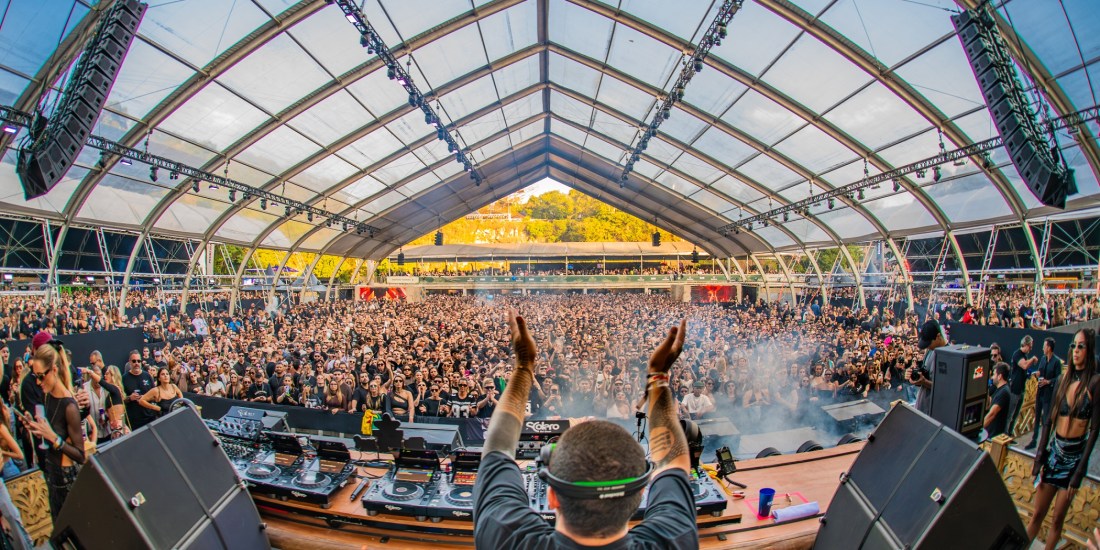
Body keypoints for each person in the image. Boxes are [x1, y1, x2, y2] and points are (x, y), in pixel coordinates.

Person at [473, 312, 697, 548]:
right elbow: (672, 461)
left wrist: (523, 367)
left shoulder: (508, 541)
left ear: (551, 496)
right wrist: (658, 377)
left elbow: (498, 446)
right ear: (641, 494)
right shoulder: (674, 539)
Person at [1028, 328, 1099, 549]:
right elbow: (1048, 422)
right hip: (1054, 454)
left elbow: (1094, 430)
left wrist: (1080, 471)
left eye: (1081, 346)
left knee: (1057, 520)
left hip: (1074, 459)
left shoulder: (1095, 383)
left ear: (1089, 350)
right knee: (1037, 514)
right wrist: (1039, 457)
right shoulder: (1062, 379)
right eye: (1073, 345)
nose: (1075, 350)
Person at [20, 341, 86, 518]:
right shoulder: (47, 396)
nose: (38, 382)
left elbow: (81, 455)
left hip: (67, 480)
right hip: (52, 473)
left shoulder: (69, 406)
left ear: (54, 370)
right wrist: (35, 427)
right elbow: (51, 430)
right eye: (36, 376)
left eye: (41, 376)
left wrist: (54, 438)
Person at [1027, 337, 1062, 450]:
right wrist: (1038, 374)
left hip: (1048, 395)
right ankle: (1034, 441)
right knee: (1037, 417)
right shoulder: (1042, 359)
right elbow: (1040, 372)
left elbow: (1059, 378)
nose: (1042, 348)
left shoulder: (1056, 362)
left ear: (1049, 348)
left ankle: (1043, 443)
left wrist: (1048, 381)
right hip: (1040, 392)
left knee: (1046, 419)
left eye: (1044, 346)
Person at [910, 319, 946, 416]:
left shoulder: (949, 356)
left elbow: (945, 389)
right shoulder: (930, 351)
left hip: (936, 411)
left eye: (929, 343)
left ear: (938, 336)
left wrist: (924, 382)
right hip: (923, 406)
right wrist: (915, 377)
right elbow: (925, 375)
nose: (927, 347)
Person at [1008, 335, 1039, 436]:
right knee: (1010, 415)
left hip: (1021, 389)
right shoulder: (1017, 354)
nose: (1031, 349)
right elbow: (1024, 365)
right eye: (1030, 346)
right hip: (1015, 389)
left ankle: (1009, 434)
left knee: (1015, 415)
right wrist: (1033, 359)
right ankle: (1004, 435)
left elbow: (1024, 370)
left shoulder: (1024, 356)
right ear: (1025, 344)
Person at [121, 350, 155, 430]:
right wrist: (130, 398)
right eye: (134, 361)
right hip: (133, 421)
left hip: (149, 418)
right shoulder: (124, 379)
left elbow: (155, 396)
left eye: (138, 361)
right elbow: (120, 400)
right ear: (129, 362)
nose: (136, 363)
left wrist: (146, 397)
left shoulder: (147, 376)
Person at [983, 363, 1011, 439]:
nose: (992, 377)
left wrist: (980, 429)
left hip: (994, 436)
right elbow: (988, 406)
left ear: (999, 376)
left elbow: (992, 414)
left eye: (994, 374)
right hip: (991, 433)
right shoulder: (998, 389)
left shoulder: (1004, 392)